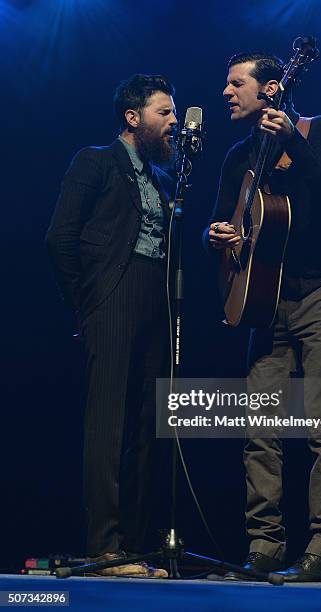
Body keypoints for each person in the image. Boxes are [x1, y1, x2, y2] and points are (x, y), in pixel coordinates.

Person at [204, 52, 321, 582]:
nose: (226, 92)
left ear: (270, 89)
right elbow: (223, 220)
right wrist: (217, 235)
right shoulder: (237, 158)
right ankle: (265, 546)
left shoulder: (316, 132)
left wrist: (293, 140)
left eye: (235, 83)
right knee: (259, 427)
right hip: (265, 306)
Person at [46, 74, 178, 577]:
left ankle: (138, 546)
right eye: (164, 113)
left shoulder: (164, 181)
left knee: (149, 424)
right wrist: (87, 302)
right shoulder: (95, 162)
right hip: (111, 298)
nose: (172, 121)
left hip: (155, 304)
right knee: (109, 423)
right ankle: (106, 546)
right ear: (133, 117)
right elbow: (60, 238)